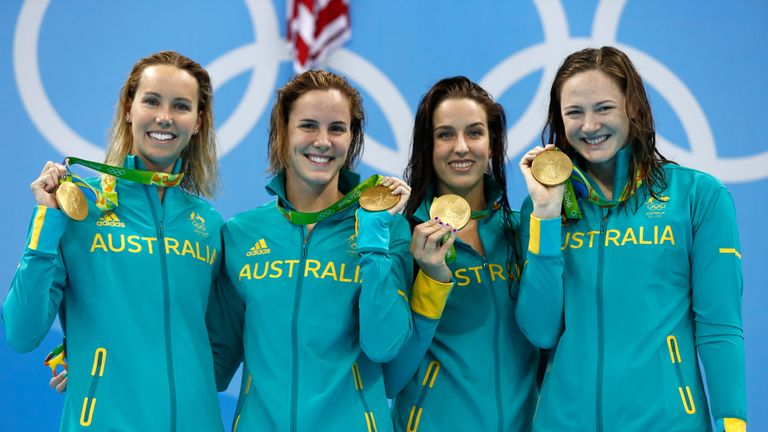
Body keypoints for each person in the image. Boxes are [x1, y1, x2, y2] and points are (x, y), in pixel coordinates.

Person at [516, 46, 747, 431]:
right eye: (574, 112)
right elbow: (540, 330)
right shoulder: (542, 209)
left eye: (604, 108)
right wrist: (546, 216)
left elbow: (720, 326)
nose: (589, 126)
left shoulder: (697, 197)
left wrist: (733, 424)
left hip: (668, 422)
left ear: (633, 108)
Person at [3, 51, 225, 431]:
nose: (164, 117)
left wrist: (108, 356)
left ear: (198, 122)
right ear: (128, 108)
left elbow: (220, 348)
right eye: (151, 101)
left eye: (181, 106)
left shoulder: (209, 224)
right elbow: (21, 334)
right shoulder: (76, 207)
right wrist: (46, 216)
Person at [205, 69, 415, 431]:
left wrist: (373, 238)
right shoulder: (241, 234)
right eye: (308, 126)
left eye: (337, 128)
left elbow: (383, 346)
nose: (323, 141)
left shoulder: (387, 229)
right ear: (283, 133)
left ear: (352, 138)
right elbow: (215, 365)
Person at [384, 76, 543, 431]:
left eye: (474, 133)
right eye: (445, 134)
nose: (461, 147)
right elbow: (390, 377)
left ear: (492, 144)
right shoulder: (402, 238)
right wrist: (429, 280)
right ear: (428, 146)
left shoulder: (523, 232)